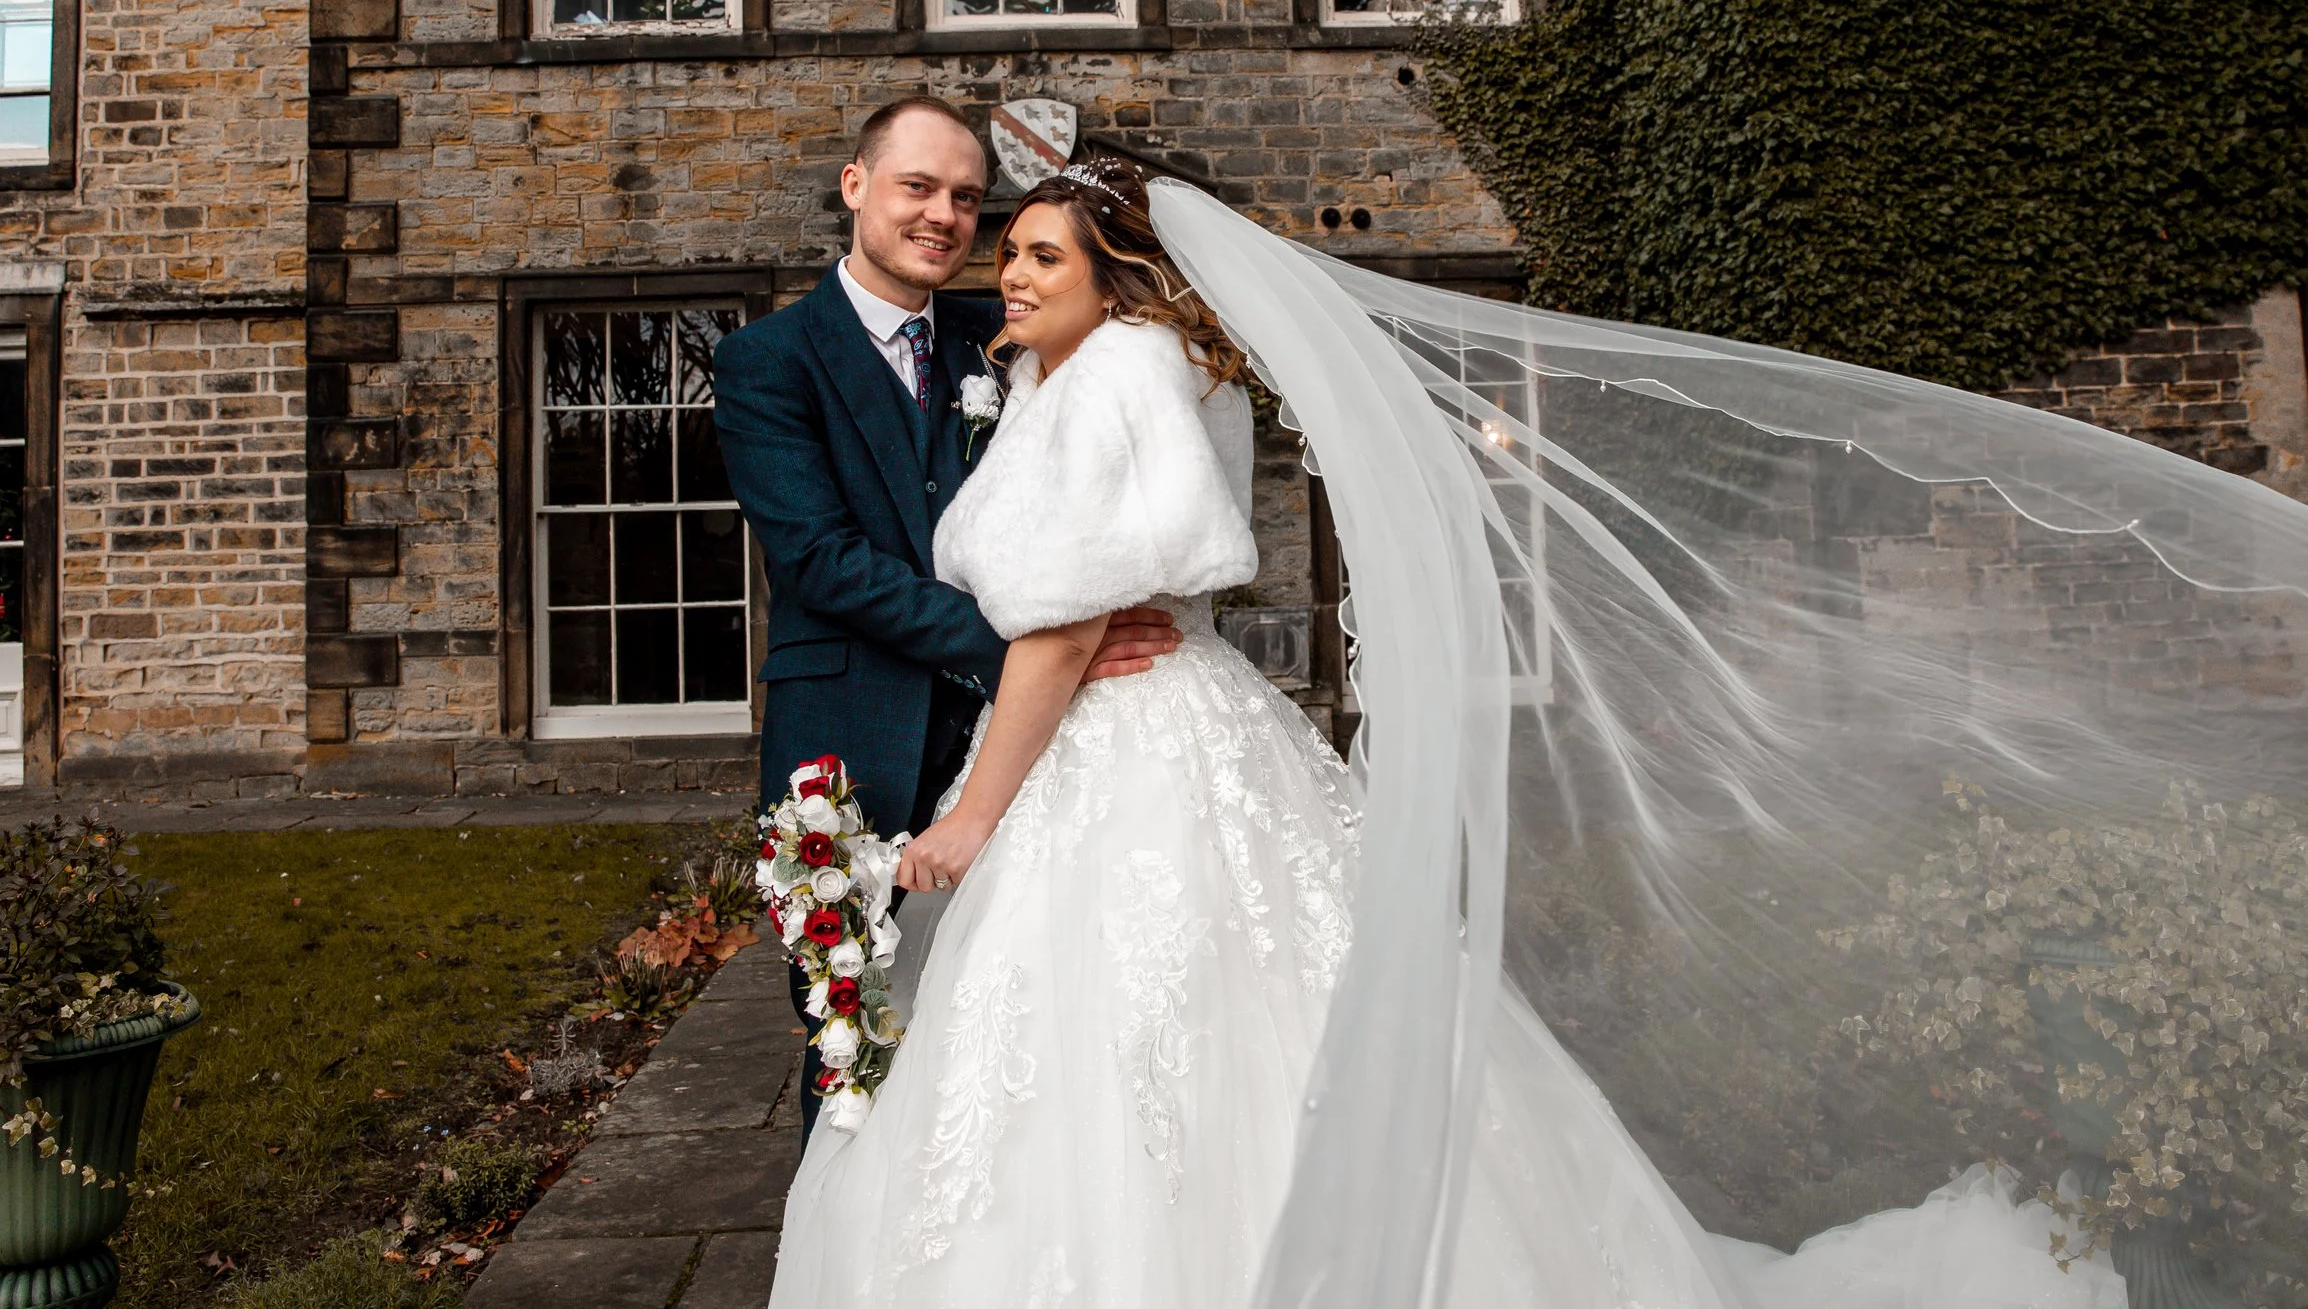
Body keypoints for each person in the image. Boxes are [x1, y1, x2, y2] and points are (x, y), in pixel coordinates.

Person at [769, 158, 2142, 1308]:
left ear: (1115, 277)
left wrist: (968, 818)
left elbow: (1067, 629)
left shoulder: (1119, 369)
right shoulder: (1085, 373)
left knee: (1149, 1027)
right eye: (1008, 251)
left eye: (1043, 256)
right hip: (1149, 722)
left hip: (1121, 732)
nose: (1008, 274)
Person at [711, 98, 1179, 1142]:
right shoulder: (767, 362)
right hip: (853, 739)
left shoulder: (1012, 334)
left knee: (1024, 1020)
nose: (944, 215)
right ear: (855, 184)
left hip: (1028, 748)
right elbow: (822, 561)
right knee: (857, 1038)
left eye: (967, 197)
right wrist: (1040, 645)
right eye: (918, 185)